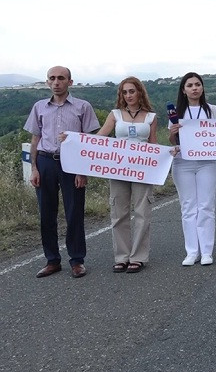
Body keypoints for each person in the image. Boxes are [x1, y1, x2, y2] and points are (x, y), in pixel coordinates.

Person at [24, 66, 100, 278]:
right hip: (46, 161)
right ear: (47, 82)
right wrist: (34, 168)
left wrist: (82, 170)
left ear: (70, 82)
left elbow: (88, 140)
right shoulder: (39, 107)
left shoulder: (82, 106)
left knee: (74, 212)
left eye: (61, 78)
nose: (56, 82)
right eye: (52, 78)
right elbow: (35, 139)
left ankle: (77, 260)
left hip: (72, 163)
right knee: (46, 213)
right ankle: (52, 260)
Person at [95, 77, 158, 273]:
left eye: (132, 91)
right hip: (119, 168)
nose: (128, 95)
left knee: (142, 212)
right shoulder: (115, 115)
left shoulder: (151, 117)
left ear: (140, 92)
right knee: (118, 212)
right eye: (125, 92)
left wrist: (167, 155)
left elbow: (153, 143)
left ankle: (138, 257)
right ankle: (121, 256)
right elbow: (99, 137)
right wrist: (72, 139)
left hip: (142, 168)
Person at [168, 72, 216, 266]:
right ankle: (192, 251)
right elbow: (172, 142)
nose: (194, 88)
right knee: (188, 207)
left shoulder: (213, 110)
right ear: (184, 90)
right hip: (182, 162)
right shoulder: (176, 113)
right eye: (190, 85)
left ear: (202, 88)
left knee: (206, 206)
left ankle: (207, 251)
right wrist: (172, 134)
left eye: (197, 84)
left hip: (207, 163)